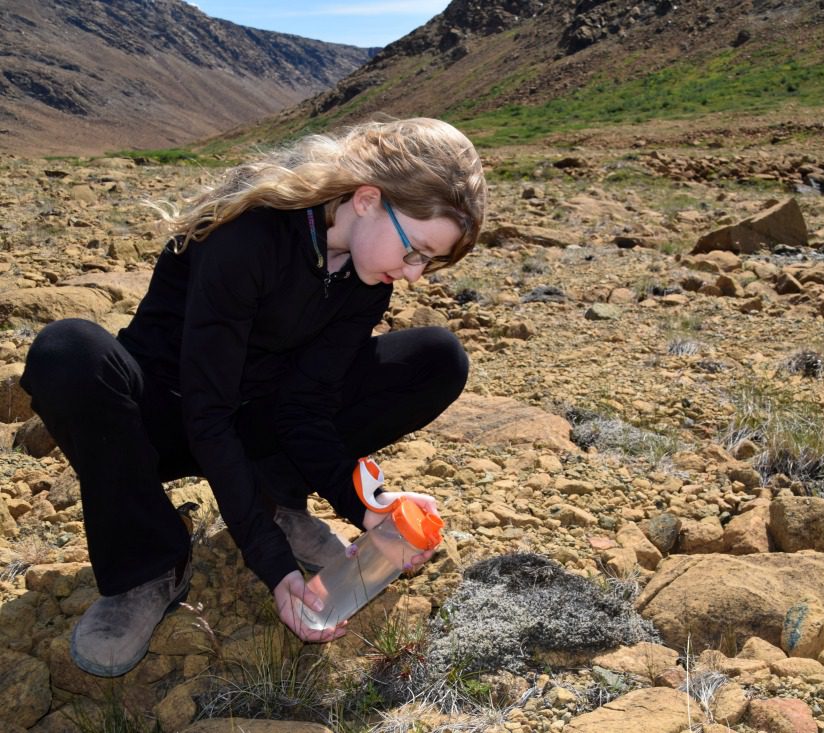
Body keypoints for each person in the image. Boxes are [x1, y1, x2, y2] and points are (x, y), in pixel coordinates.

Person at [20, 117, 487, 677]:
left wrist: (369, 505)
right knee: (67, 351)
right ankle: (148, 565)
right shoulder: (251, 234)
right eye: (416, 252)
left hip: (253, 424)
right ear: (367, 200)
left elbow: (306, 405)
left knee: (437, 358)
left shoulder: (368, 273)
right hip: (163, 419)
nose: (414, 275)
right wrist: (272, 564)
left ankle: (275, 497)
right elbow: (207, 412)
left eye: (430, 263)